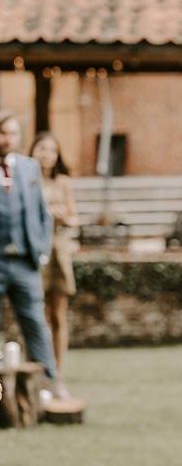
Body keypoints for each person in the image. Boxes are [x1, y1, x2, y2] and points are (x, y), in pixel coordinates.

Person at [0, 111, 57, 389]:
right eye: (2, 133)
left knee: (36, 324)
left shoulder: (29, 167)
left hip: (25, 261)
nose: (7, 139)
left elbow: (43, 214)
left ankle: (48, 385)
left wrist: (42, 250)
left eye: (12, 133)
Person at [30, 131, 78, 396]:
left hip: (59, 252)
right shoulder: (28, 181)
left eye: (51, 150)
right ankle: (38, 373)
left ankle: (58, 374)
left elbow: (74, 218)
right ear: (33, 151)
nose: (46, 154)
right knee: (36, 318)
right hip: (35, 252)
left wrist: (61, 216)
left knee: (58, 314)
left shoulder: (63, 182)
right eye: (41, 149)